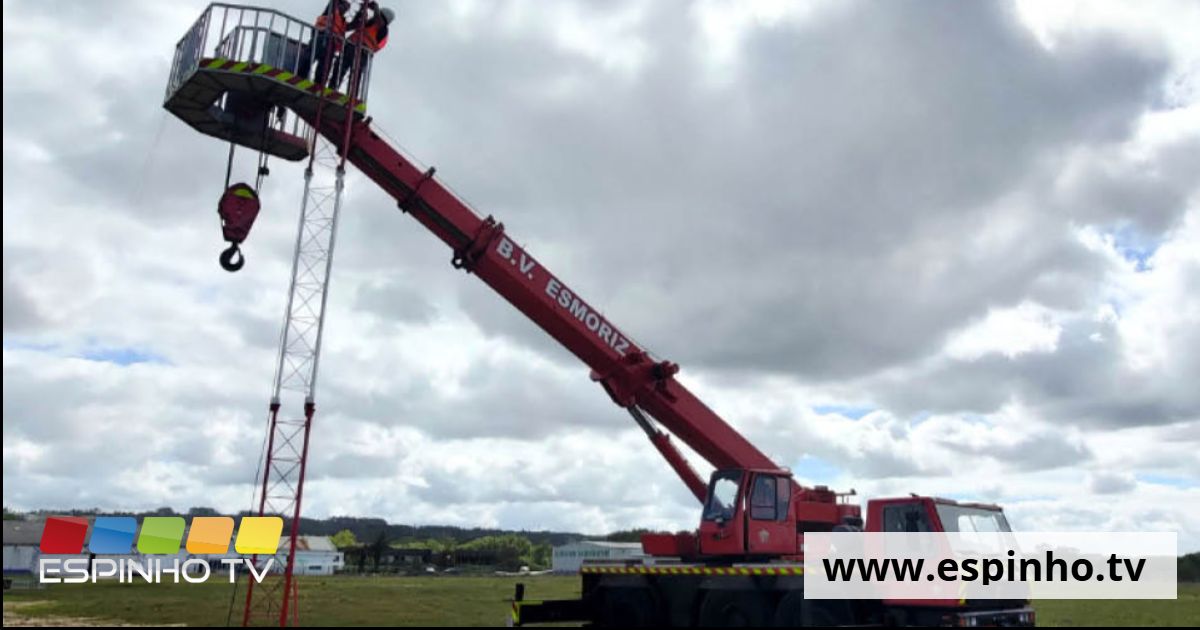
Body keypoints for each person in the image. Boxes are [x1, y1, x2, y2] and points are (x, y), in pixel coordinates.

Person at [336, 2, 393, 93]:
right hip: (350, 47)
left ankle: (352, 95)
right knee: (339, 69)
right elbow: (354, 25)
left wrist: (375, 7)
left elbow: (378, 21)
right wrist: (362, 10)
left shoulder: (383, 29)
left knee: (355, 77)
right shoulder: (369, 23)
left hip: (362, 53)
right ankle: (333, 88)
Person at [302, 0, 351, 85]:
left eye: (346, 8)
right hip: (321, 38)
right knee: (308, 60)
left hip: (331, 45)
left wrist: (360, 13)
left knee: (324, 69)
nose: (344, 9)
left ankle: (318, 85)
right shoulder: (331, 11)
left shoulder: (342, 22)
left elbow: (353, 25)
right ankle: (301, 76)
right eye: (343, 6)